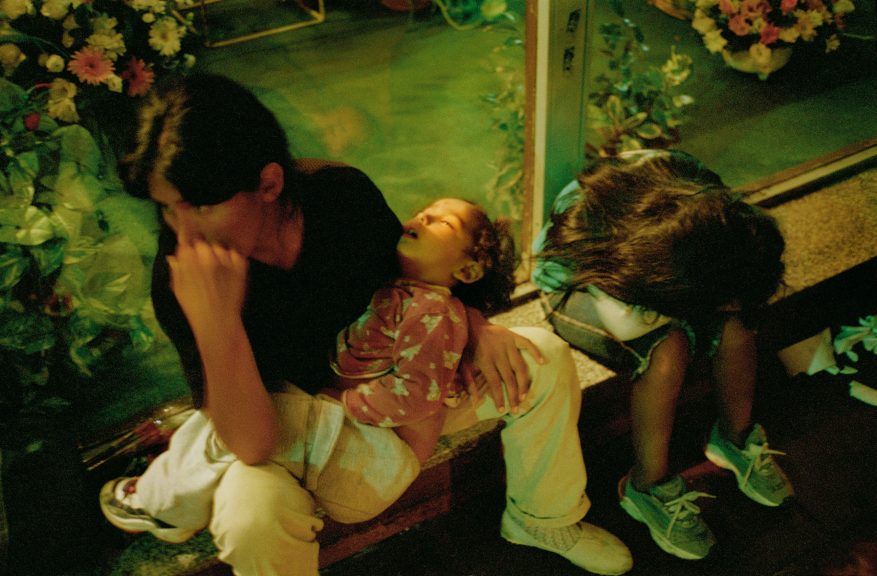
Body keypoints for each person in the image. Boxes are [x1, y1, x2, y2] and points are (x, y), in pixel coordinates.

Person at [98, 73, 633, 576]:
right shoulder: (183, 276)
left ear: (268, 183)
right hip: (290, 439)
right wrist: (216, 321)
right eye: (167, 210)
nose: (182, 231)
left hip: (388, 398)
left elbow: (412, 281)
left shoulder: (338, 195)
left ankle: (541, 519)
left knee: (540, 356)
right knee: (251, 514)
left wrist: (475, 324)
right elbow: (252, 443)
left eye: (198, 207)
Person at [532, 149, 795, 561]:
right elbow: (626, 324)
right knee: (666, 349)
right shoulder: (618, 249)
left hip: (659, 263)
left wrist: (725, 307)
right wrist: (676, 313)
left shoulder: (714, 212)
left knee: (737, 324)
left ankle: (736, 439)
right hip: (581, 280)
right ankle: (647, 486)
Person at [326, 197, 517, 464]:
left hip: (382, 437)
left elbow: (416, 393)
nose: (424, 218)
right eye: (424, 212)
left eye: (446, 223)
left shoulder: (432, 311)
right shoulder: (403, 292)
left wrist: (345, 402)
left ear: (467, 271)